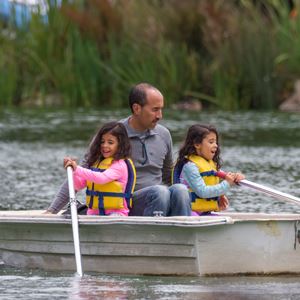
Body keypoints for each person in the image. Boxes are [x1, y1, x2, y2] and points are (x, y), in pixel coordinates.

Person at [46, 83, 191, 216]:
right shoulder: (112, 136)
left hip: (160, 201)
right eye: (155, 110)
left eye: (161, 109)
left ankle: (184, 236)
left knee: (181, 189)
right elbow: (80, 174)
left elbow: (168, 176)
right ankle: (151, 237)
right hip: (126, 206)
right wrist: (52, 211)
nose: (160, 116)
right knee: (160, 192)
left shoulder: (164, 135)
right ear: (136, 108)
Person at [64, 121, 135, 216]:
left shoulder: (120, 165)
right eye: (102, 141)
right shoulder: (97, 163)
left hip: (116, 214)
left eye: (110, 142)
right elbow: (77, 185)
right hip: (94, 213)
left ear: (120, 144)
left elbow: (102, 178)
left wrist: (78, 169)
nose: (105, 145)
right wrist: (72, 171)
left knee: (111, 218)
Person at [173, 124, 244, 216]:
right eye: (211, 142)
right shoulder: (190, 167)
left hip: (205, 213)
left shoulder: (211, 165)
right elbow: (202, 191)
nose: (216, 146)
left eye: (216, 142)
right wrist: (226, 185)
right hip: (189, 212)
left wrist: (237, 176)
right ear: (197, 144)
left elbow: (227, 177)